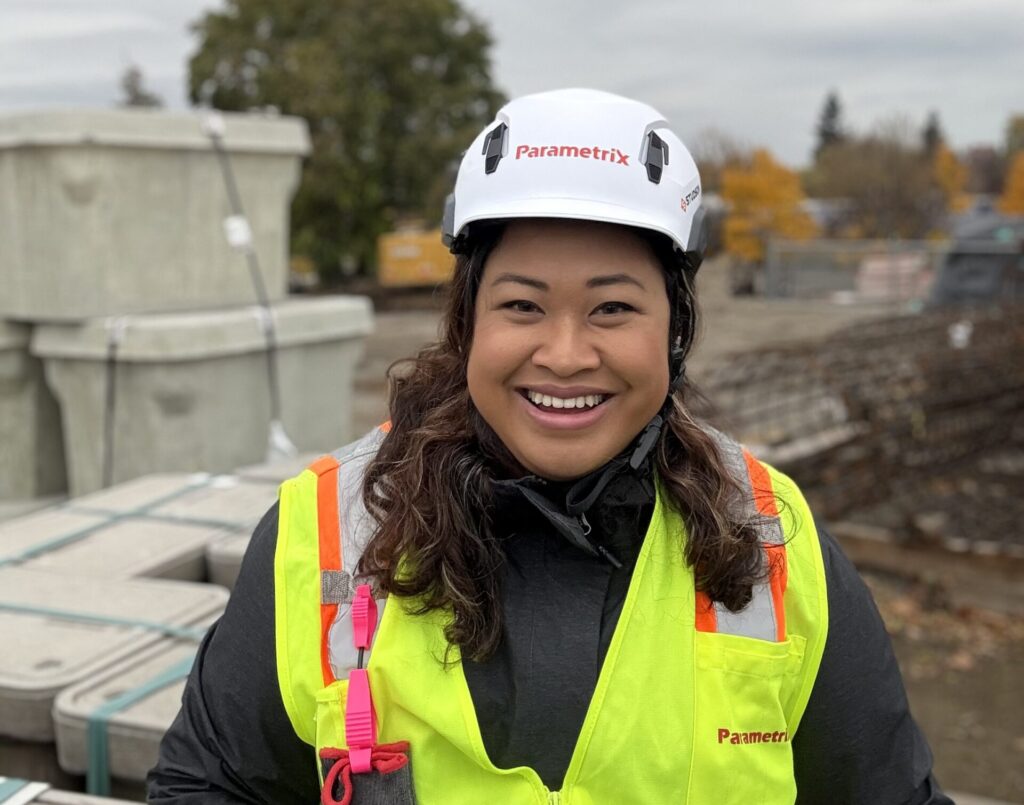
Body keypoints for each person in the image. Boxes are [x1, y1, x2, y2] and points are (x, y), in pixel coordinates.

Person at [148, 89, 951, 804]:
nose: (565, 355)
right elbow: (211, 785)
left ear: (674, 331)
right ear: (468, 321)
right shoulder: (326, 532)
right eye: (523, 306)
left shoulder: (773, 539)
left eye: (612, 309)